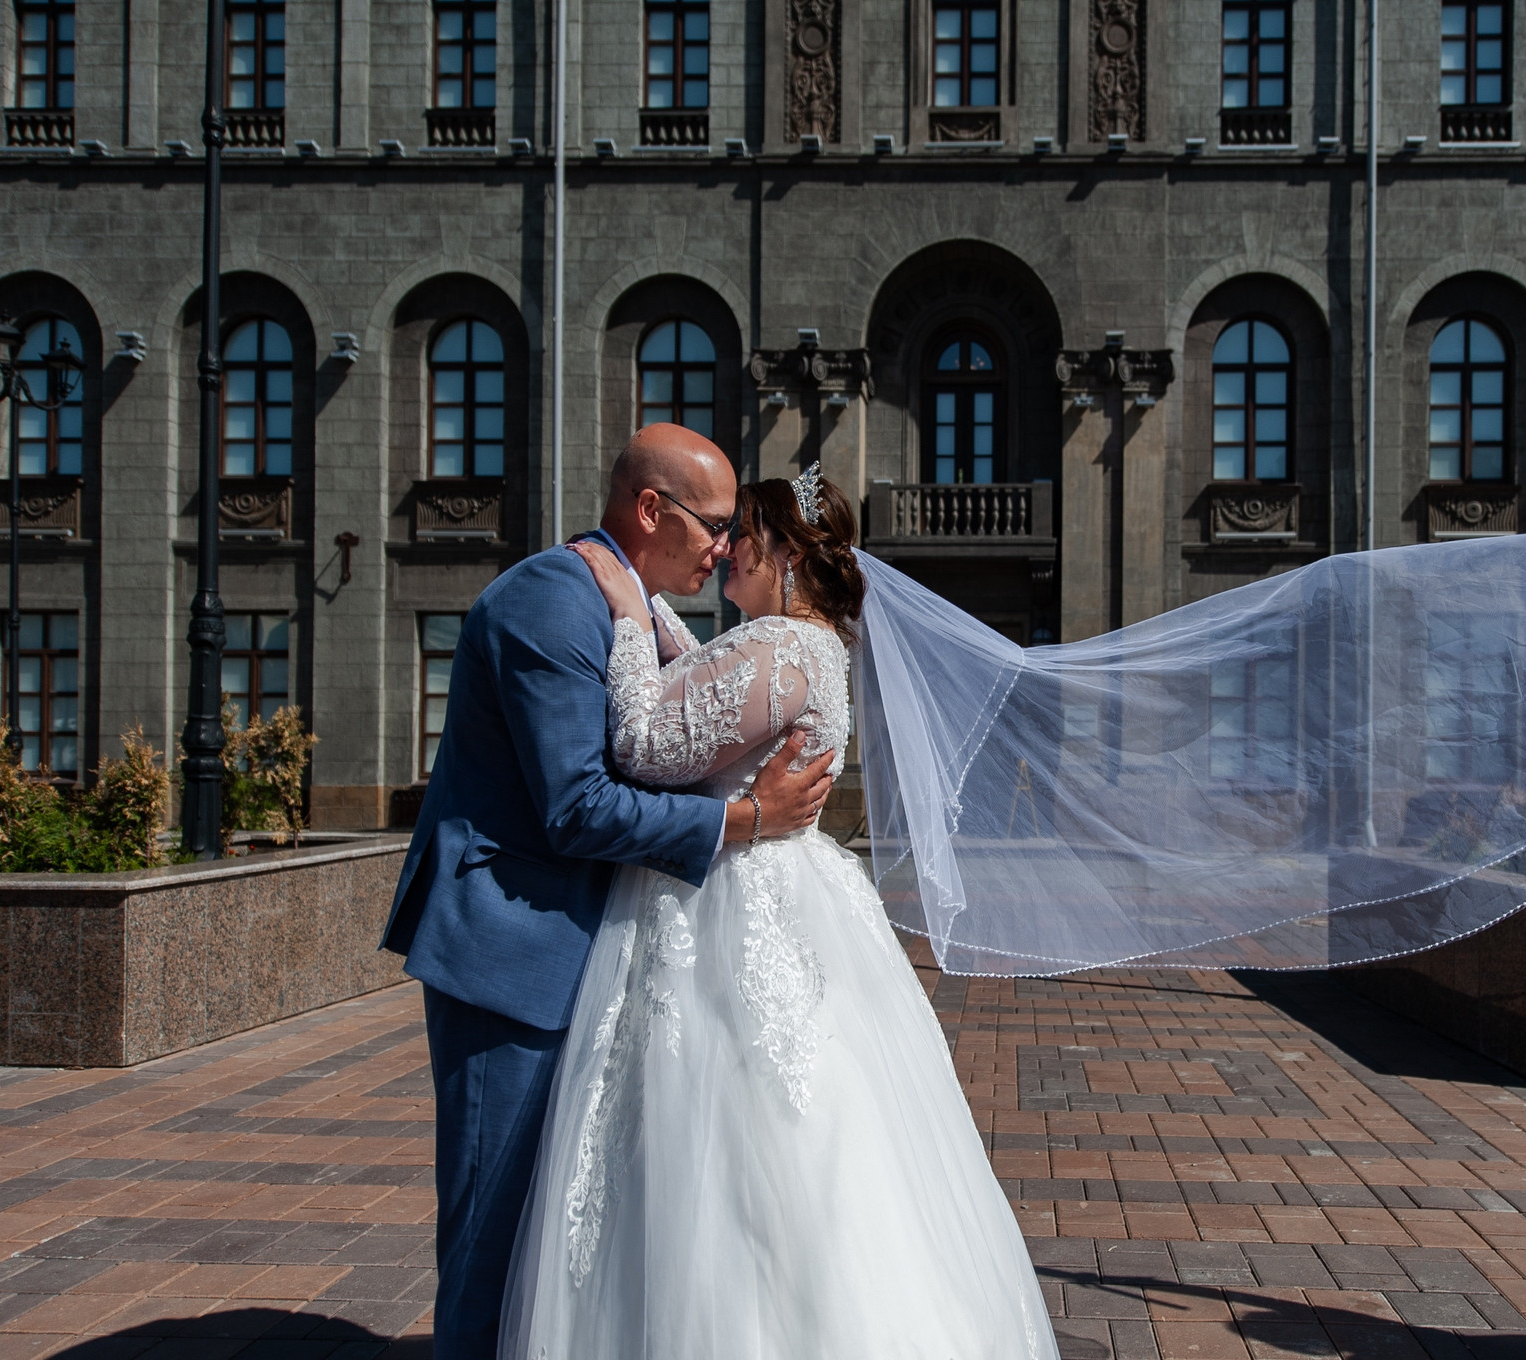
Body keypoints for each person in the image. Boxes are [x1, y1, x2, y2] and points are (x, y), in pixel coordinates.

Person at [500, 465, 1060, 1360]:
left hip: (727, 902)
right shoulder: (809, 646)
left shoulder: (779, 646)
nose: (727, 549)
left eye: (745, 536)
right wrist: (655, 615)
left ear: (788, 555)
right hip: (779, 889)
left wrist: (626, 615)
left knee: (725, 1141)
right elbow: (705, 691)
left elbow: (646, 741)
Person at [380, 426, 834, 1360]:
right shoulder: (553, 599)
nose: (725, 545)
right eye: (713, 523)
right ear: (650, 510)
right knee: (494, 1225)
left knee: (562, 1235)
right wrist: (746, 820)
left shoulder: (639, 608)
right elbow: (577, 806)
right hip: (515, 949)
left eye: (735, 530)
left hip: (592, 950)